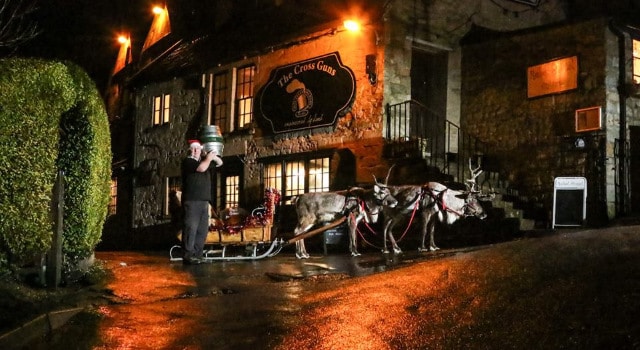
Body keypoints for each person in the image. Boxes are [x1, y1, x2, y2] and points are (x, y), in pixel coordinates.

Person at [181, 140, 223, 264]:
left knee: (202, 230)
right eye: (193, 149)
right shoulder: (188, 162)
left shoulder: (204, 161)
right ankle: (188, 255)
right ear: (189, 150)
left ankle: (198, 255)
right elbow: (201, 168)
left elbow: (220, 163)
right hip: (192, 201)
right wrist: (208, 158)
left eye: (197, 149)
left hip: (204, 202)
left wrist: (212, 156)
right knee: (191, 228)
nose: (195, 151)